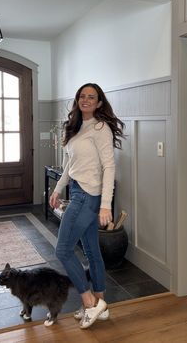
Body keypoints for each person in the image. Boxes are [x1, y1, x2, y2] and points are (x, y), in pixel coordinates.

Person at [49, 82, 125, 329]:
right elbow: (71, 165)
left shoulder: (101, 128)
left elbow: (109, 166)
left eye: (92, 97)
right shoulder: (77, 127)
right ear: (78, 100)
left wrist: (105, 205)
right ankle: (100, 303)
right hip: (78, 191)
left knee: (62, 250)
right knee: (92, 251)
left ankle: (89, 302)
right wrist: (58, 189)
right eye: (83, 96)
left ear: (99, 102)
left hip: (88, 197)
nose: (86, 100)